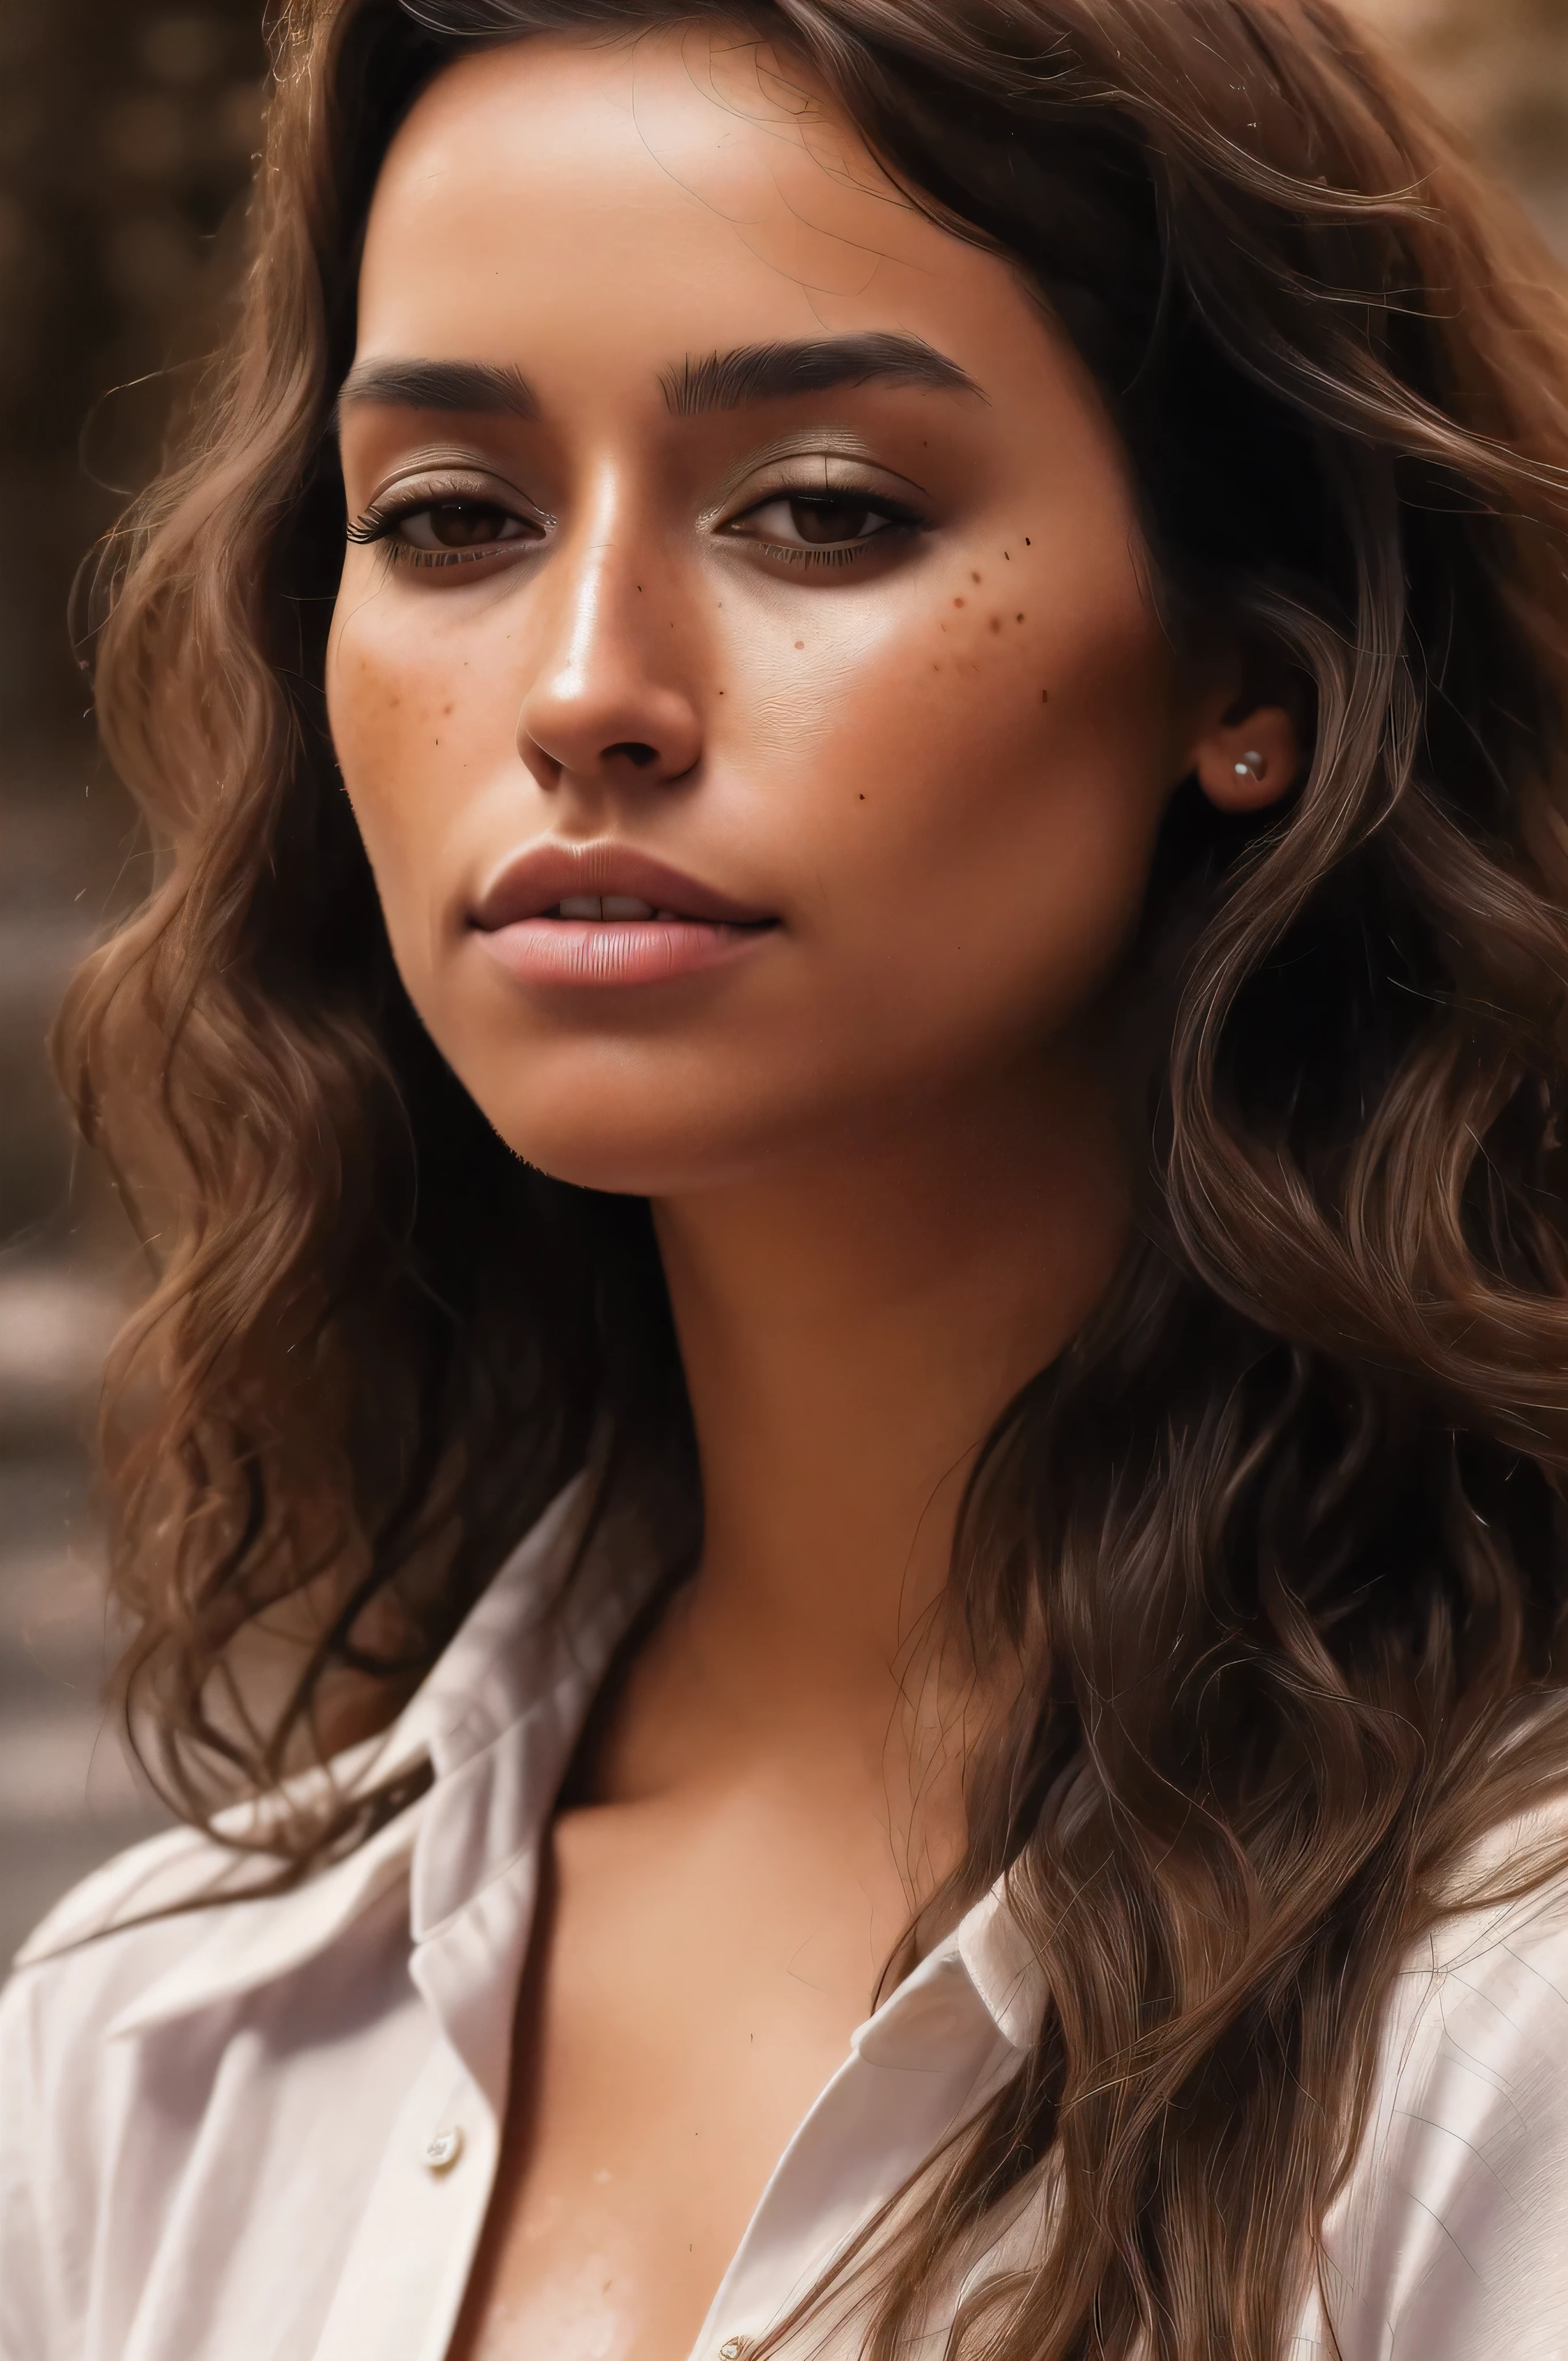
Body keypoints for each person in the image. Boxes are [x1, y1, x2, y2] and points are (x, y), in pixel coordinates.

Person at [7, 0, 1568, 2352]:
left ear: (1252, 668)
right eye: (449, 518)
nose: (580, 684)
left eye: (820, 506)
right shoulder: (154, 2045)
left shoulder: (1502, 2034)